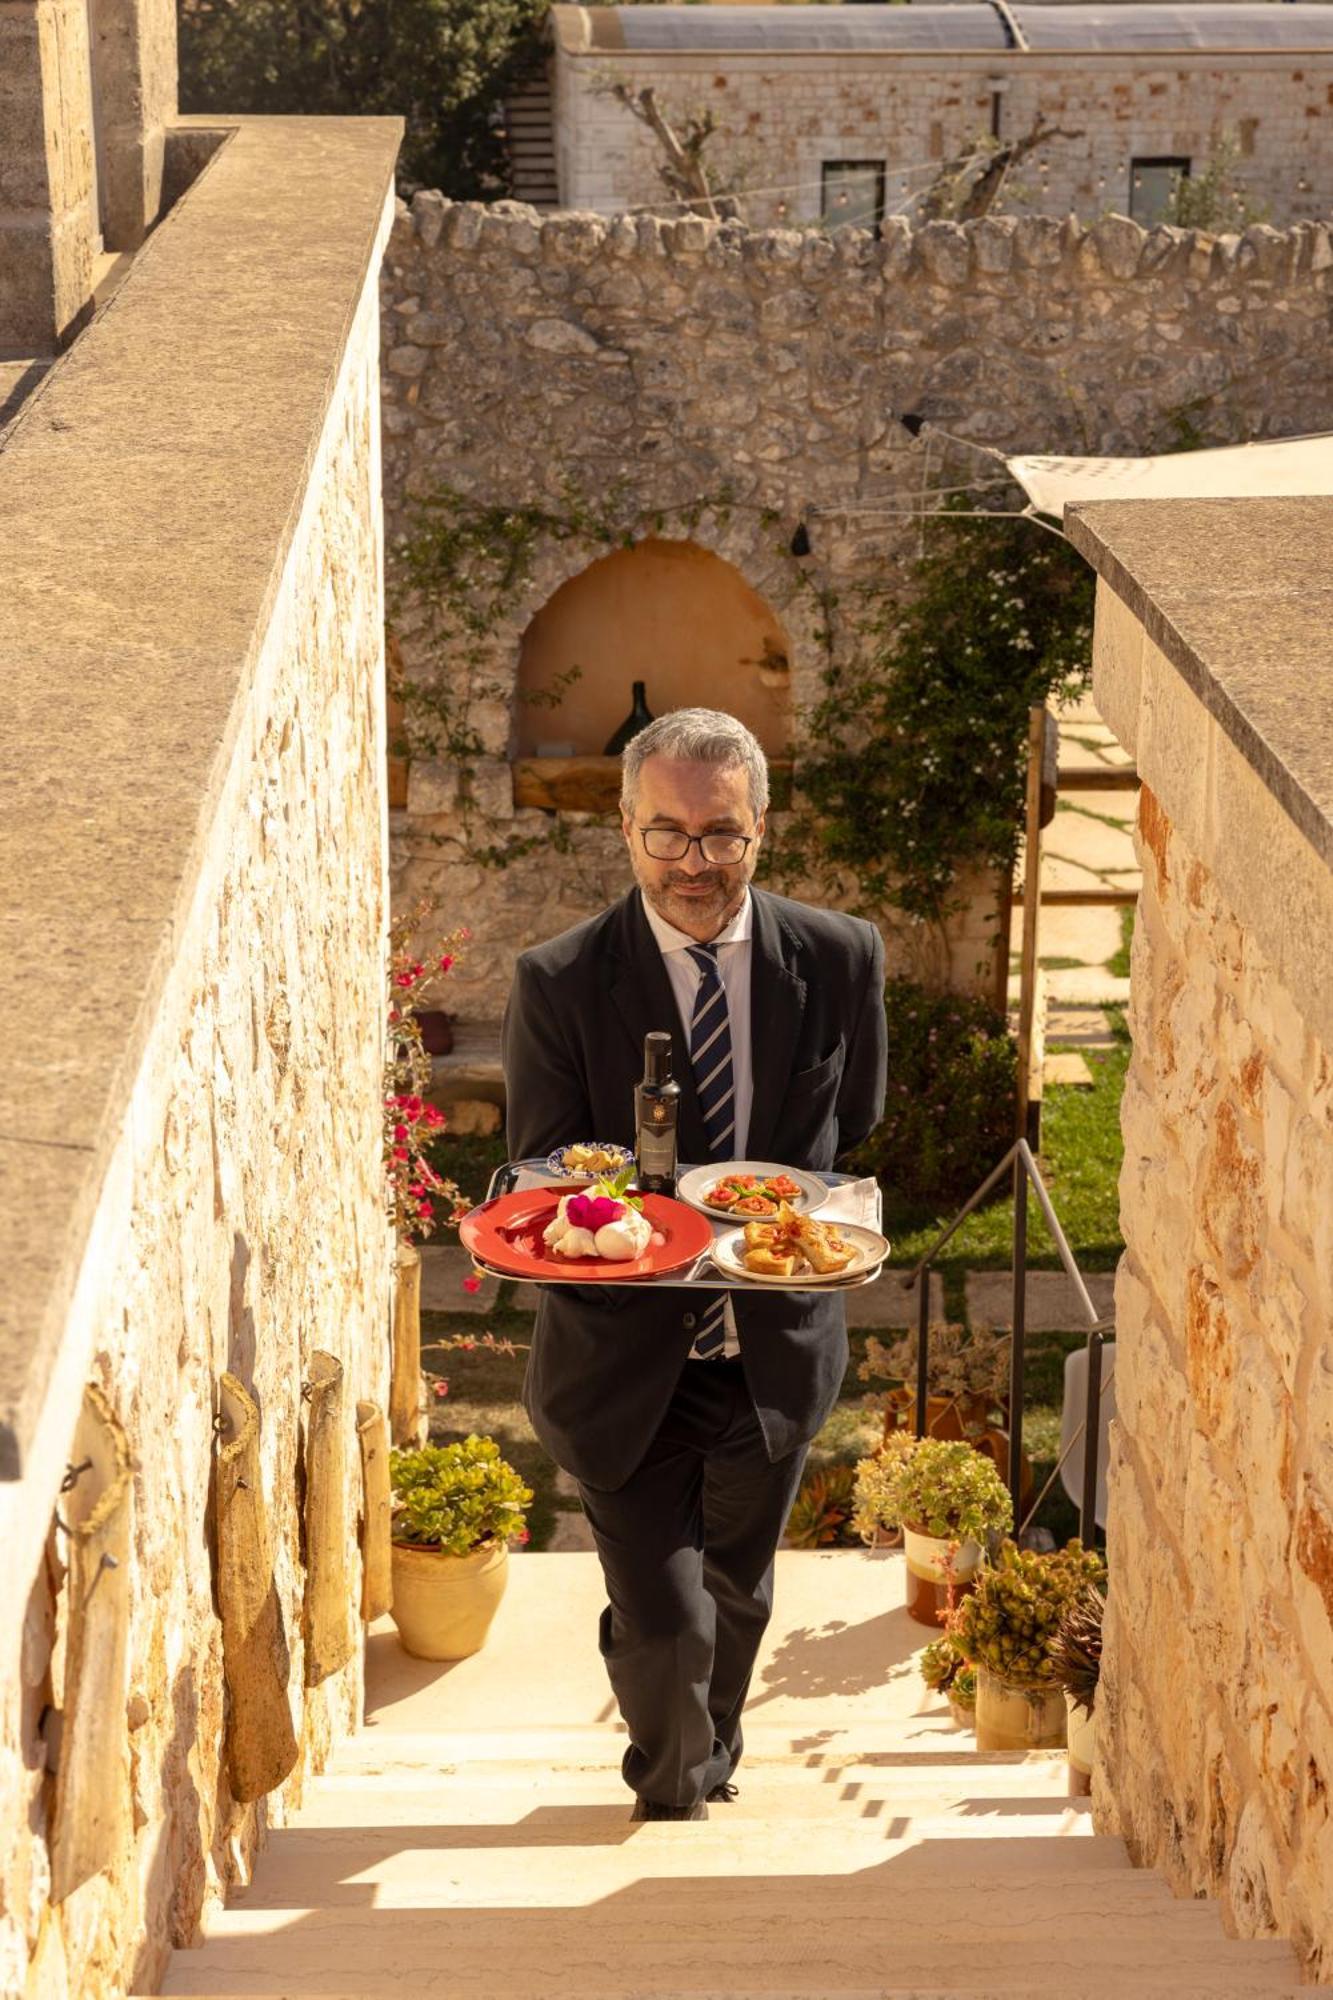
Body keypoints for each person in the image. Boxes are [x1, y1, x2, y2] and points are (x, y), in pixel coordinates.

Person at [501, 708, 887, 1821]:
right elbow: (536, 1168)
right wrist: (616, 1219)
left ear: (760, 827)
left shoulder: (839, 955)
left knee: (738, 1595)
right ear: (624, 830)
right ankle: (670, 1790)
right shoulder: (560, 979)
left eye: (719, 834)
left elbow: (847, 1129)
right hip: (620, 1360)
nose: (693, 863)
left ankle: (710, 1752)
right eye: (665, 832)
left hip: (771, 1353)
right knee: (667, 1618)